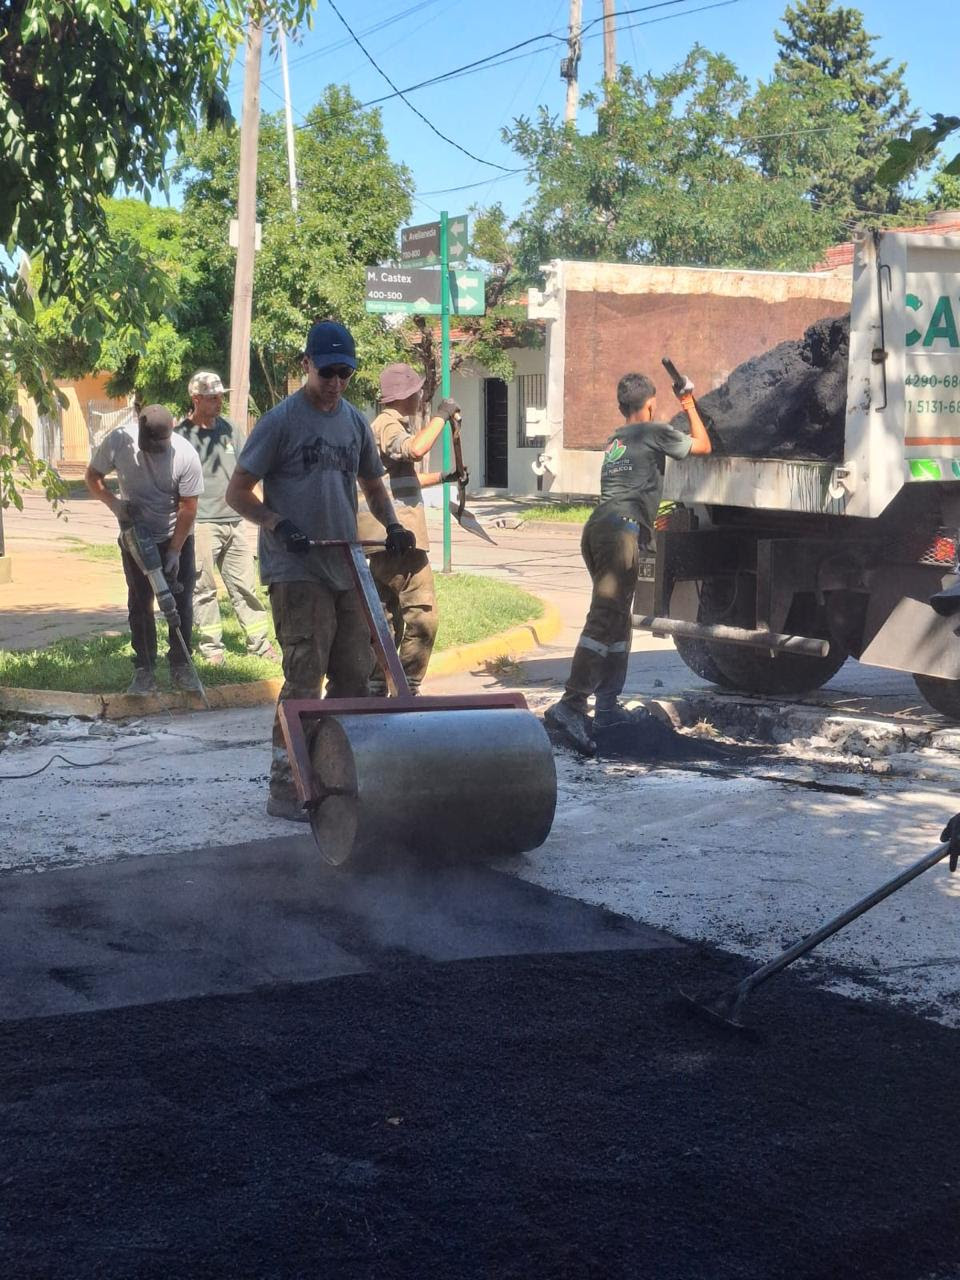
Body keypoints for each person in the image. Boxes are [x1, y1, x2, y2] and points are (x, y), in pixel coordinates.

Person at [225, 320, 416, 822]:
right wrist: (277, 523)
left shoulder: (354, 423)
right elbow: (237, 492)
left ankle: (335, 777)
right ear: (307, 364)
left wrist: (393, 525)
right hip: (296, 568)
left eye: (344, 374)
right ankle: (286, 785)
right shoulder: (281, 422)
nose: (334, 383)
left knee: (355, 675)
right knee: (304, 678)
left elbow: (373, 485)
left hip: (345, 564)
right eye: (326, 372)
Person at [544, 371, 712, 754]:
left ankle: (607, 708)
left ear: (622, 406)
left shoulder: (615, 438)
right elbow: (703, 445)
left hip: (599, 529)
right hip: (621, 533)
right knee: (604, 618)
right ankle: (572, 704)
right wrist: (687, 400)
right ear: (650, 404)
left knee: (618, 620)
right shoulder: (654, 431)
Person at [357, 362, 462, 694]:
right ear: (406, 395)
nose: (420, 397)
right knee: (422, 617)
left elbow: (402, 478)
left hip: (383, 539)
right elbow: (415, 449)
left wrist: (445, 477)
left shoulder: (382, 425)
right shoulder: (388, 424)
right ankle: (407, 686)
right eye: (418, 391)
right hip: (399, 540)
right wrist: (442, 416)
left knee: (385, 621)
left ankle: (379, 687)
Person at [85, 403, 204, 695]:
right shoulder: (119, 441)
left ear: (170, 433)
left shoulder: (185, 455)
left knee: (180, 601)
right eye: (148, 445)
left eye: (158, 446)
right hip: (135, 537)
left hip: (176, 535)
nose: (153, 451)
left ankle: (181, 666)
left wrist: (175, 551)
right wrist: (115, 505)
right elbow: (92, 476)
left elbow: (188, 508)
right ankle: (144, 670)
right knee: (140, 603)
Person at [176, 370, 278, 666]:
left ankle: (260, 644)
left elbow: (249, 471)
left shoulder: (231, 430)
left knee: (245, 586)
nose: (219, 402)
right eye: (212, 397)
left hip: (235, 520)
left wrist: (263, 508)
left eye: (221, 396)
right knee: (203, 588)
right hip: (202, 524)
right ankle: (212, 649)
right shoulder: (181, 437)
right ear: (196, 399)